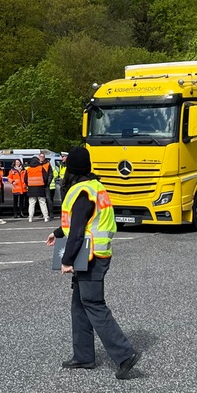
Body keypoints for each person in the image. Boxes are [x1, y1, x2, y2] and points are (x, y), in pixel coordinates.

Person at [46, 145, 139, 380]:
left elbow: (78, 230)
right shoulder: (94, 186)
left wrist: (66, 260)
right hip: (94, 254)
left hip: (91, 257)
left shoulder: (81, 192)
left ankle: (125, 355)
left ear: (71, 170)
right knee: (79, 305)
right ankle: (84, 356)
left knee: (93, 304)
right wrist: (57, 233)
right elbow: (79, 223)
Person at [25, 155, 50, 223]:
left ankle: (30, 218)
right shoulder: (41, 168)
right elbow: (45, 178)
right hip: (40, 188)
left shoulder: (28, 169)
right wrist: (43, 184)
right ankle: (46, 217)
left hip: (31, 188)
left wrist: (29, 185)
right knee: (42, 203)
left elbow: (25, 179)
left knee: (31, 204)